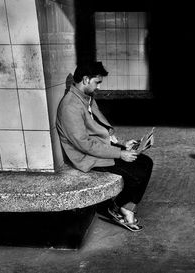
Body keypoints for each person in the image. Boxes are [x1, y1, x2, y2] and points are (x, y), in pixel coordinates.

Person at [56, 61, 153, 232]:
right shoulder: (70, 106)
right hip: (88, 157)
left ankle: (122, 207)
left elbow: (100, 129)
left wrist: (122, 143)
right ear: (85, 79)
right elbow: (85, 144)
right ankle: (120, 208)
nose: (99, 87)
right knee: (137, 173)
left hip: (100, 149)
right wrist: (119, 153)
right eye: (97, 82)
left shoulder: (86, 99)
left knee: (146, 162)